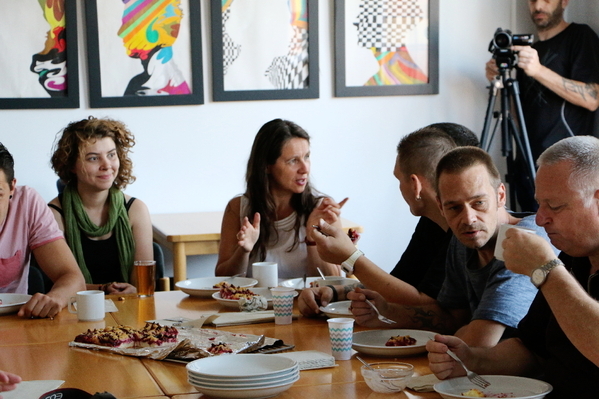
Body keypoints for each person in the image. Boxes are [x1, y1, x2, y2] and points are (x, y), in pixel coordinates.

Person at [314, 147, 556, 347]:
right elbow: (451, 317)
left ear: (500, 196)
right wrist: (386, 311)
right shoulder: (463, 239)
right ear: (441, 207)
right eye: (454, 207)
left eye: (479, 203)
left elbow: (483, 339)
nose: (468, 218)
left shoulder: (522, 240)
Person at [427, 136, 599, 398]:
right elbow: (532, 350)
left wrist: (547, 271)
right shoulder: (574, 256)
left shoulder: (554, 265)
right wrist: (471, 360)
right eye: (540, 204)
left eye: (555, 206)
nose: (540, 219)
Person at [299, 123, 479, 316]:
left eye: (398, 179)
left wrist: (350, 257)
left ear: (415, 184)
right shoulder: (430, 221)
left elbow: (429, 305)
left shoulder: (464, 230)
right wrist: (337, 292)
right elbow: (401, 282)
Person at [485, 0, 599, 210]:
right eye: (532, 0)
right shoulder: (528, 52)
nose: (538, 6)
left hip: (569, 169)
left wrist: (537, 70)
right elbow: (517, 111)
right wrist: (499, 80)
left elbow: (592, 99)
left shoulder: (580, 36)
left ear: (564, 2)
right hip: (529, 164)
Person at [215, 119, 345, 279]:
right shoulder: (238, 207)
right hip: (254, 303)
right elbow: (222, 278)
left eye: (307, 157)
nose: (305, 169)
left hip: (305, 303)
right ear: (266, 166)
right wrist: (244, 250)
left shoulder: (321, 209)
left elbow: (333, 281)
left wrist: (313, 236)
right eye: (293, 161)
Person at [49, 117, 153, 295]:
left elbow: (144, 286)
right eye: (93, 158)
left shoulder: (136, 209)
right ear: (72, 165)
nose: (107, 165)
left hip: (129, 311)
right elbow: (58, 285)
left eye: (111, 155)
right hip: (73, 311)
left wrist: (134, 290)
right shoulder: (53, 214)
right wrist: (104, 290)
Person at [0, 143, 84, 318]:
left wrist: (56, 297)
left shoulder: (27, 203)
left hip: (17, 323)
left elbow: (73, 279)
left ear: (12, 188)